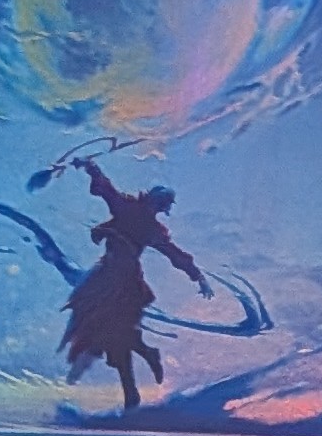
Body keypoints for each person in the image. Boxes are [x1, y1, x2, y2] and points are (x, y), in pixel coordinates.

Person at [62, 160, 211, 411]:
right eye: (158, 201)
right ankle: (138, 362)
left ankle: (129, 388)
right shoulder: (126, 207)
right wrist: (90, 167)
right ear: (150, 198)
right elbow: (106, 189)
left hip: (125, 284)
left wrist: (198, 276)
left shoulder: (153, 229)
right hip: (105, 277)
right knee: (96, 325)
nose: (157, 207)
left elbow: (174, 254)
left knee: (116, 334)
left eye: (161, 205)